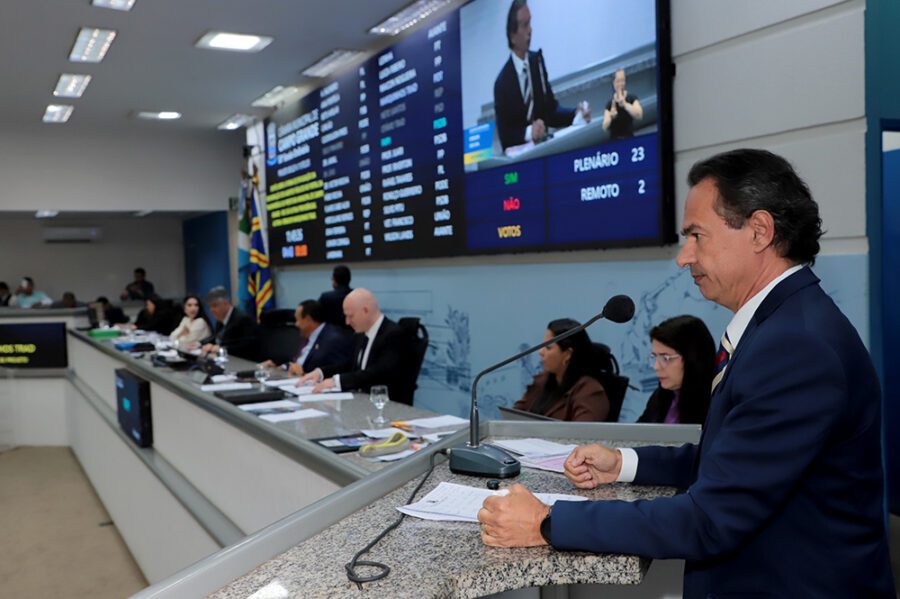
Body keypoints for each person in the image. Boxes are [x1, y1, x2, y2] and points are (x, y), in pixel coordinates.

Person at [476, 149, 895, 597]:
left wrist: (548, 521)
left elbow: (712, 517)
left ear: (759, 231)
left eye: (697, 235)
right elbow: (731, 460)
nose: (683, 257)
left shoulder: (796, 347)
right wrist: (625, 463)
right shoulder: (784, 325)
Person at [493, 0, 591, 151]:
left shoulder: (536, 62)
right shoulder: (502, 84)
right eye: (525, 25)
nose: (530, 30)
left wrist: (575, 114)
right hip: (521, 161)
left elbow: (551, 111)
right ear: (512, 36)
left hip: (545, 151)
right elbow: (505, 136)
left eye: (530, 23)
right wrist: (529, 132)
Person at [299, 288, 413, 405]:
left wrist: (337, 381)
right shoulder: (360, 333)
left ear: (365, 311)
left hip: (388, 406)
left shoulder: (394, 334)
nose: (347, 322)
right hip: (361, 402)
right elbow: (351, 365)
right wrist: (321, 372)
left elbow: (378, 373)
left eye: (350, 316)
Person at [513, 318, 609, 421]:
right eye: (542, 346)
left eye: (548, 348)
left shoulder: (590, 392)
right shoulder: (542, 380)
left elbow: (582, 435)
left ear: (567, 354)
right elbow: (515, 416)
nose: (541, 352)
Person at [637, 315, 715, 424]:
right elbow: (638, 436)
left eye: (665, 358)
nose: (656, 367)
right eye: (655, 357)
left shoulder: (717, 402)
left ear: (692, 358)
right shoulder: (661, 396)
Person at [260, 299, 353, 376]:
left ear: (308, 319)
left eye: (297, 320)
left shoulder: (333, 340)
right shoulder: (309, 336)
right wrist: (280, 367)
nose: (296, 324)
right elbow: (298, 362)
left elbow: (339, 373)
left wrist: (303, 374)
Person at [200, 287, 257, 360]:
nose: (211, 310)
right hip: (225, 359)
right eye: (210, 306)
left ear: (226, 303)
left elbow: (246, 347)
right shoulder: (220, 318)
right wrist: (200, 344)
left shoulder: (242, 319)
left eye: (215, 305)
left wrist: (221, 349)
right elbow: (217, 338)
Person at [601, 68, 643, 140]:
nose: (620, 84)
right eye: (618, 81)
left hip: (629, 138)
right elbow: (604, 126)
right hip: (615, 141)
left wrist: (625, 104)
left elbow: (639, 115)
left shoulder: (631, 98)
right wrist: (611, 116)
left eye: (622, 80)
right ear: (613, 83)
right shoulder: (610, 104)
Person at [318, 265, 353, 330]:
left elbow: (317, 316)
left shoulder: (326, 297)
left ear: (334, 279)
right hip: (354, 336)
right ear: (349, 279)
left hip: (331, 335)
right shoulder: (358, 295)